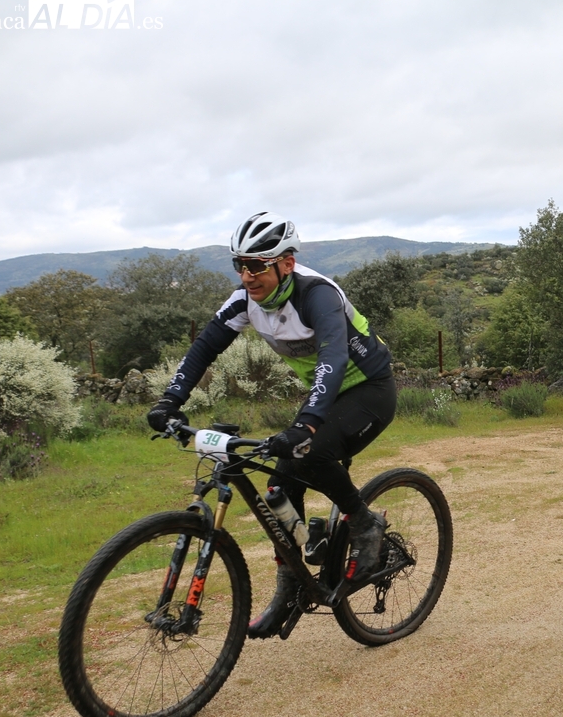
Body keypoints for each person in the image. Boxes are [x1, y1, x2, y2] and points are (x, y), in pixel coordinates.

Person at [146, 211, 397, 639]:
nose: (247, 275)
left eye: (257, 264)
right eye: (239, 265)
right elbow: (203, 349)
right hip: (327, 392)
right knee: (280, 486)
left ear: (286, 263)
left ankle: (364, 522)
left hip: (369, 390)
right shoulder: (244, 300)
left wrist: (309, 424)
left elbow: (333, 358)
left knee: (309, 451)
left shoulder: (316, 295)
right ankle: (292, 585)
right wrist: (170, 400)